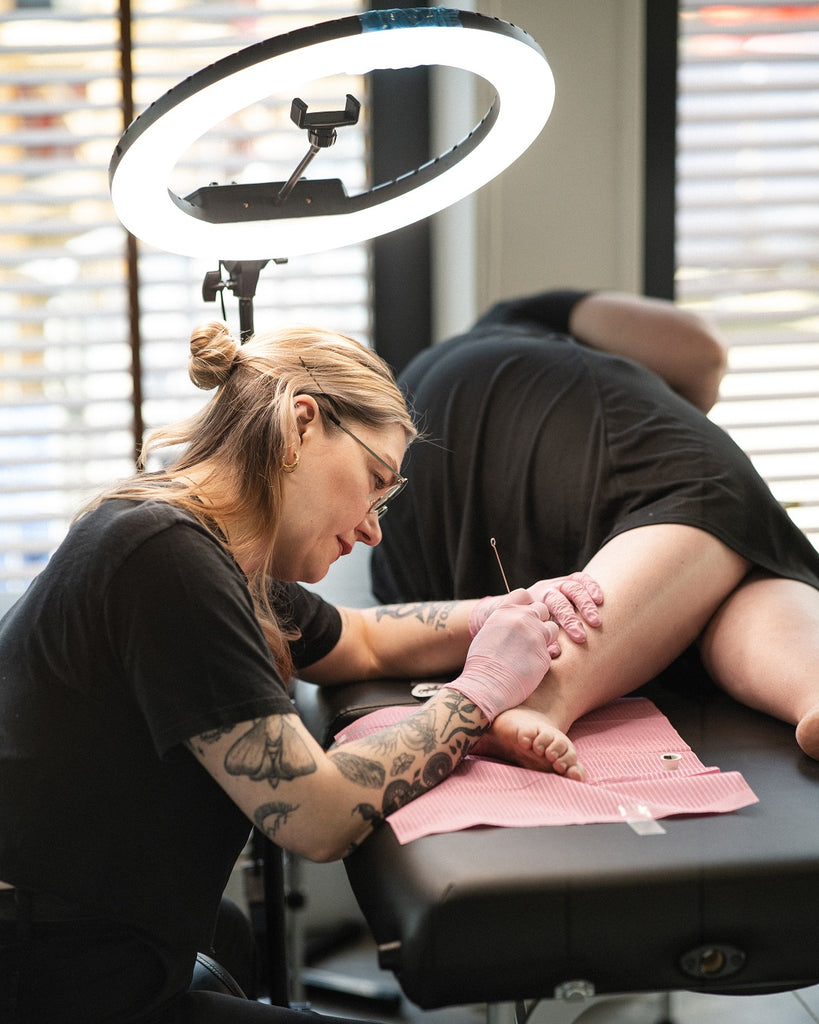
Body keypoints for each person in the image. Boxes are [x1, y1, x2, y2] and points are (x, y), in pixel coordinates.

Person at [0, 320, 602, 1024]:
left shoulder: (206, 546)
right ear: (300, 425)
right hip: (46, 974)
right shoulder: (165, 556)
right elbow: (316, 818)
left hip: (97, 943)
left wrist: (507, 611)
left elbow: (364, 640)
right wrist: (478, 697)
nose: (376, 526)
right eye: (376, 482)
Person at [371, 288, 819, 776]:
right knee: (715, 499)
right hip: (518, 394)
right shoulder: (519, 314)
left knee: (712, 577)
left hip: (418, 532)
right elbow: (702, 356)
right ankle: (541, 695)